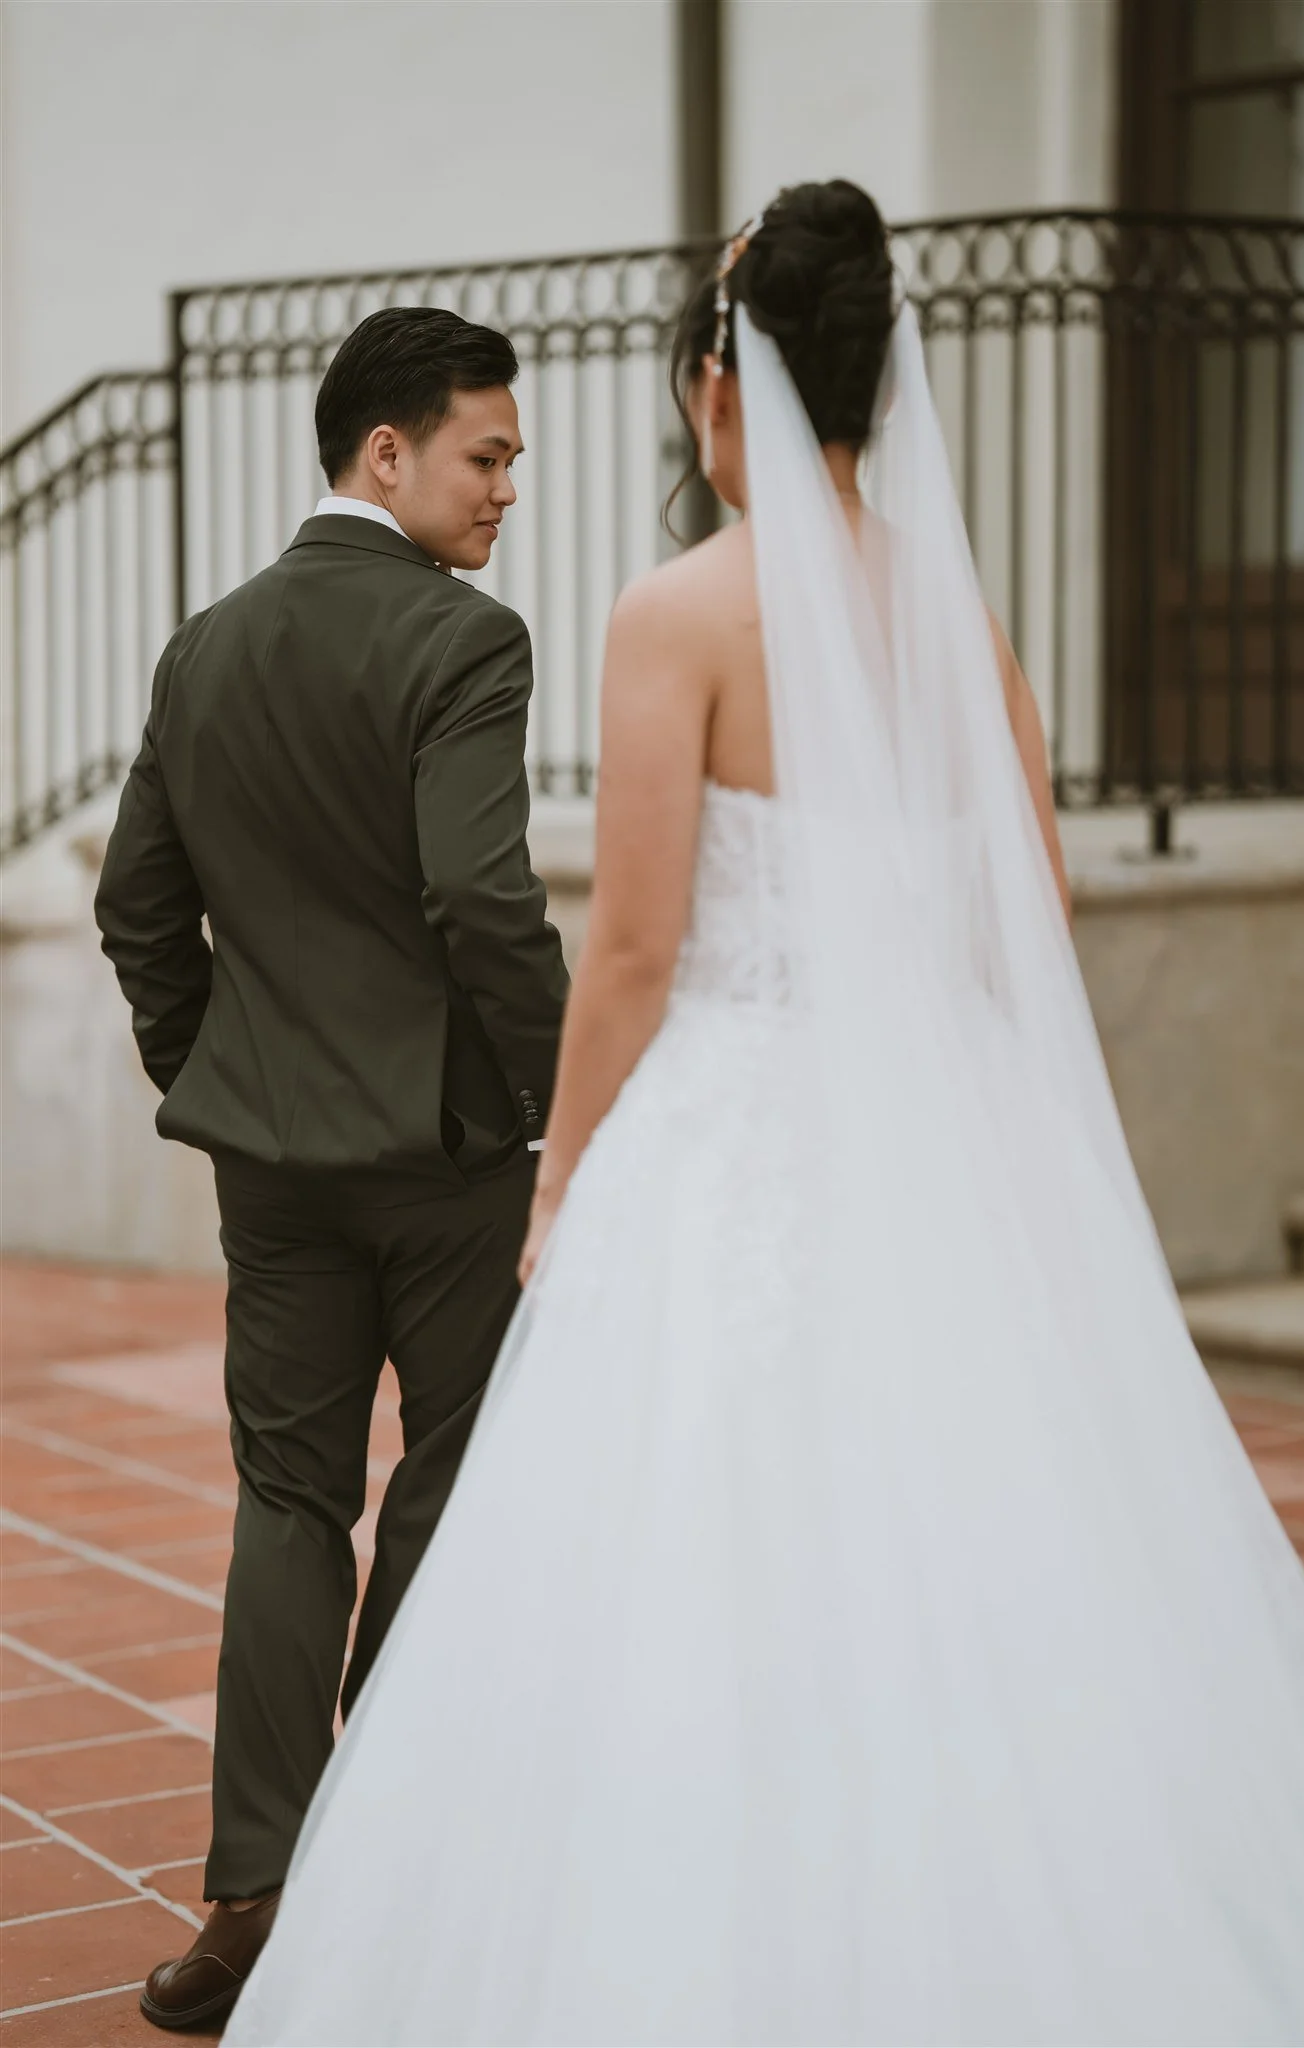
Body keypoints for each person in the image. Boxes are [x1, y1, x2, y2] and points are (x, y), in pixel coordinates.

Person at [227, 183, 1304, 2047]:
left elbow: (639, 946)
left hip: (736, 1122)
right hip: (941, 1128)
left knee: (691, 1545)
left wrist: (569, 1165)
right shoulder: (953, 607)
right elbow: (1029, 904)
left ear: (715, 386)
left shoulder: (681, 611)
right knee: (987, 1525)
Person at [93, 306, 568, 2032]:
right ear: (390, 451)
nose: (510, 485)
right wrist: (562, 1094)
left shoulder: (203, 648)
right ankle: (394, 1866)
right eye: (487, 452)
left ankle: (252, 1903)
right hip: (448, 1158)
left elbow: (137, 906)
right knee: (445, 1485)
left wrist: (222, 1067)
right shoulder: (468, 641)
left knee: (289, 1502)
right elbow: (481, 897)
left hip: (274, 1168)